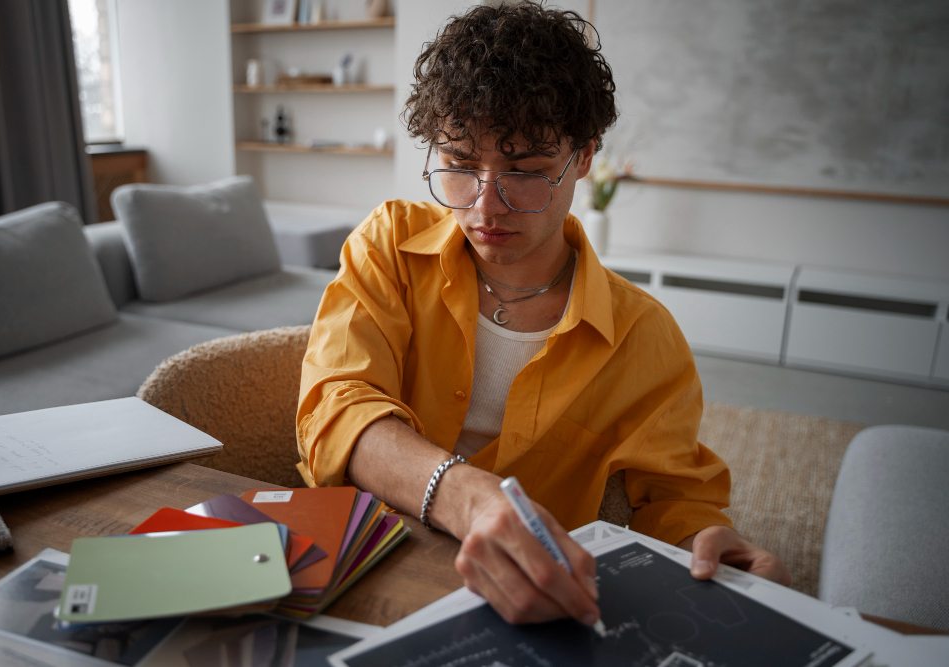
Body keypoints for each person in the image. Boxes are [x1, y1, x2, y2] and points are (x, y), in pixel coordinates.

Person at [296, 1, 790, 628]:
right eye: (457, 165)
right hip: (356, 566)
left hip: (525, 603)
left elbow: (676, 498)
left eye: (524, 172)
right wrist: (462, 493)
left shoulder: (641, 335)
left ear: (584, 157)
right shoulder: (388, 245)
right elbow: (335, 404)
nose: (483, 207)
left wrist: (709, 548)